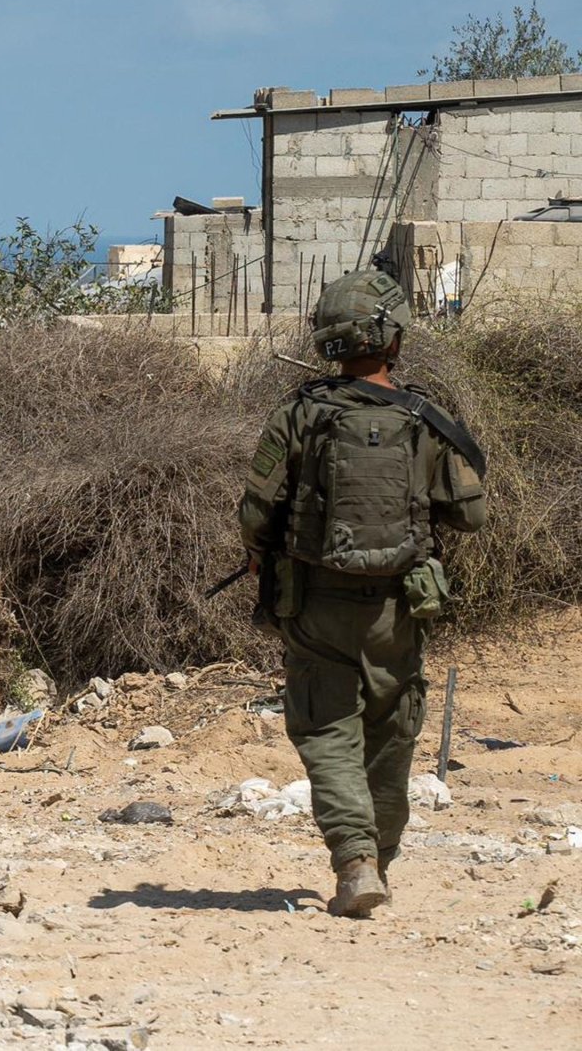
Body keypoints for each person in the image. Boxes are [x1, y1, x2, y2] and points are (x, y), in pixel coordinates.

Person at [238, 269, 487, 918]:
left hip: (316, 603)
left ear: (329, 340)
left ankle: (355, 862)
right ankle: (379, 852)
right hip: (398, 607)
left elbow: (254, 514)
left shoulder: (299, 413)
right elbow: (472, 514)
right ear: (394, 338)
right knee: (392, 732)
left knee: (326, 729)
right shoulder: (423, 418)